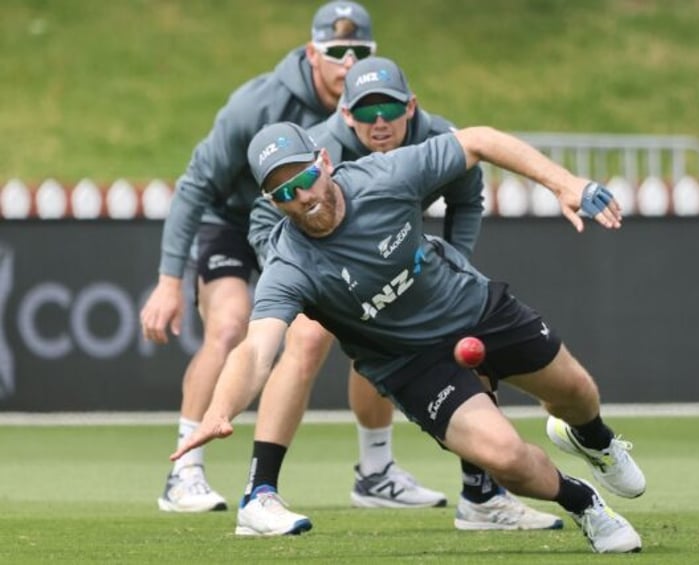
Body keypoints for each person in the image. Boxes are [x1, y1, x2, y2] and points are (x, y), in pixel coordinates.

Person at [171, 121, 647, 554]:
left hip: (476, 309)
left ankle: (594, 440)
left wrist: (565, 184)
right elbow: (257, 349)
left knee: (576, 392)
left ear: (324, 163)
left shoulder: (385, 177)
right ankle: (583, 502)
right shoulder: (289, 264)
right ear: (272, 203)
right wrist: (220, 409)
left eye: (303, 178)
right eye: (283, 193)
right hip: (411, 366)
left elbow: (478, 140)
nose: (301, 196)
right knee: (506, 458)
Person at [140, 0, 442, 514]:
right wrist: (170, 281)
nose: (347, 62)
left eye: (359, 51)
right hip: (235, 224)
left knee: (371, 320)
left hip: (313, 228)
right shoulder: (254, 104)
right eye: (335, 51)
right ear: (312, 52)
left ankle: (375, 473)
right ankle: (184, 472)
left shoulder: (367, 109)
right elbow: (194, 186)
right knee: (232, 325)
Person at [241, 56, 563, 533]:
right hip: (301, 250)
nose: (379, 122)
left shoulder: (434, 134)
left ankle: (478, 494)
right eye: (365, 112)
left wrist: (451, 266)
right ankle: (264, 488)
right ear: (345, 114)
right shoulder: (321, 151)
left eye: (388, 110)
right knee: (306, 342)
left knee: (457, 323)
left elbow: (465, 197)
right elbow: (266, 221)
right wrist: (305, 278)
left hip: (398, 258)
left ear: (409, 108)